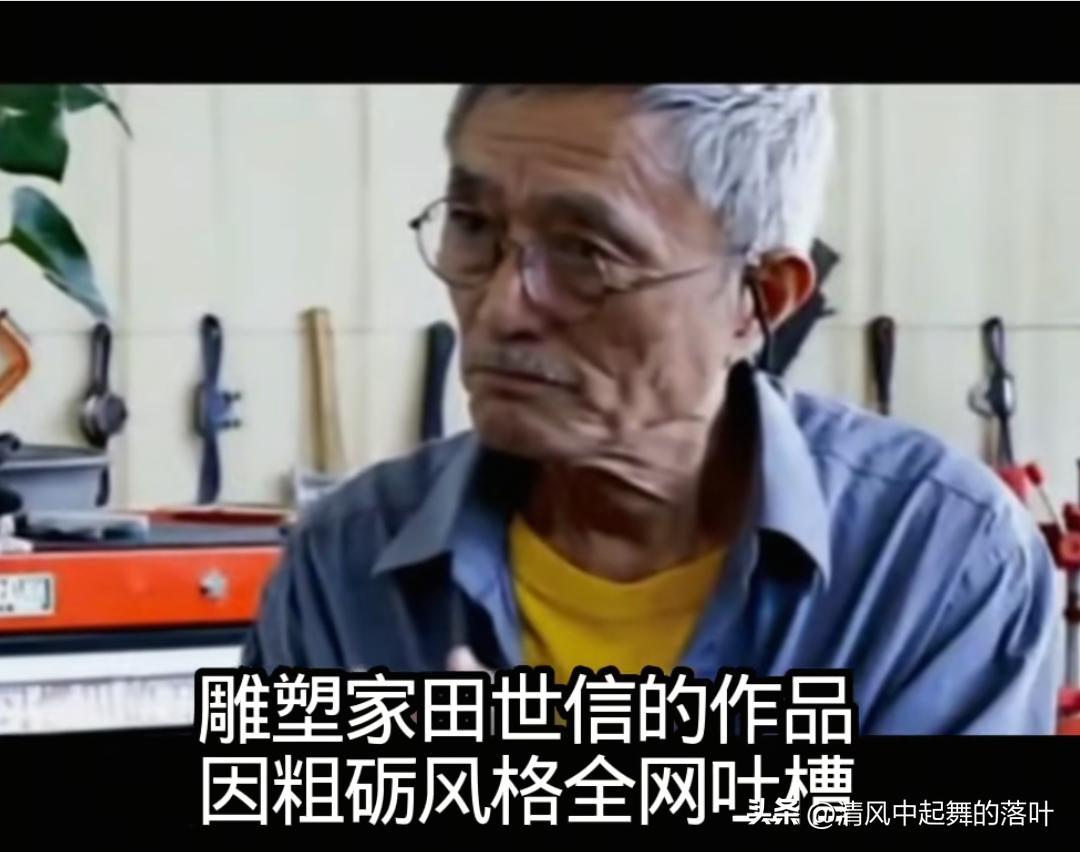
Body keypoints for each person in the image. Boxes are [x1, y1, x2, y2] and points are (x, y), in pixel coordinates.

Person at [243, 84, 1060, 734]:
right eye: (472, 226)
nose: (500, 308)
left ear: (759, 300)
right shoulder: (345, 566)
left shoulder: (937, 562)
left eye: (585, 253)